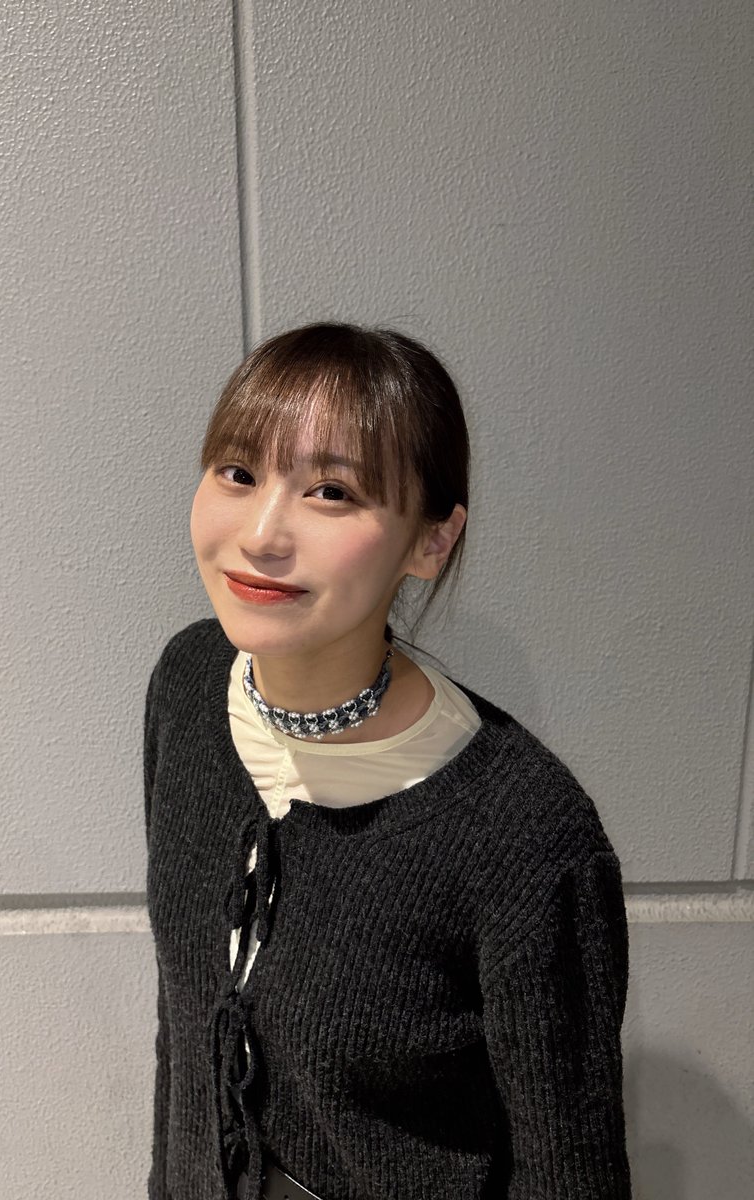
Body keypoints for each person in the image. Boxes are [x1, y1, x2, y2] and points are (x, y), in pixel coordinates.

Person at [143, 322, 632, 1200]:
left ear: (430, 541)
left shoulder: (524, 832)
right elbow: (184, 1037)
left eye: (330, 492)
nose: (261, 533)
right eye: (238, 473)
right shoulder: (187, 686)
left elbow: (571, 1174)